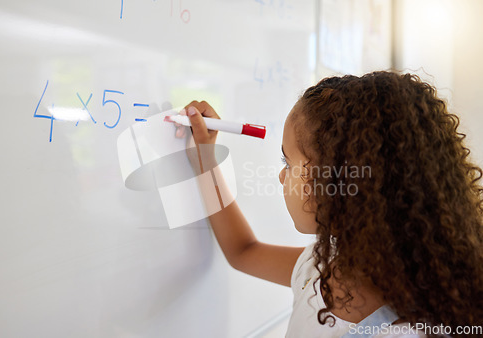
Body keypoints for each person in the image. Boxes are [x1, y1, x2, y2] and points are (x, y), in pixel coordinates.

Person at [175, 71, 483, 337]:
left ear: (339, 181)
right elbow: (243, 251)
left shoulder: (407, 329)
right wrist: (205, 160)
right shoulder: (321, 266)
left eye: (289, 161)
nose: (283, 176)